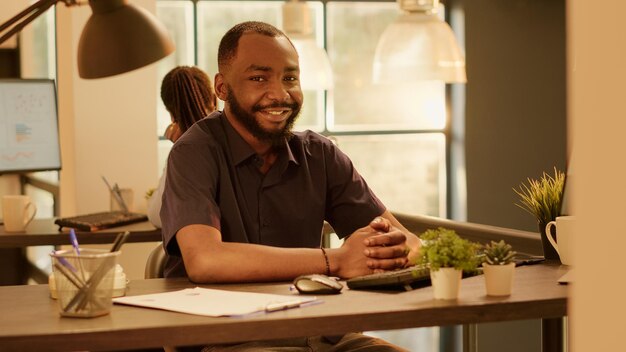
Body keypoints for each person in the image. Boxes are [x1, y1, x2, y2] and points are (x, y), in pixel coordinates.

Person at [161, 21, 421, 351]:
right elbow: (205, 260)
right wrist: (336, 261)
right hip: (226, 338)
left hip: (320, 332)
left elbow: (410, 243)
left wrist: (386, 250)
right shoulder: (193, 152)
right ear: (222, 88)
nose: (280, 94)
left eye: (290, 78)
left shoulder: (320, 154)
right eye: (259, 78)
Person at [146, 66, 218, 228]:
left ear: (171, 115)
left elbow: (157, 215)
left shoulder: (185, 153)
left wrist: (178, 147)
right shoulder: (236, 140)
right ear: (214, 100)